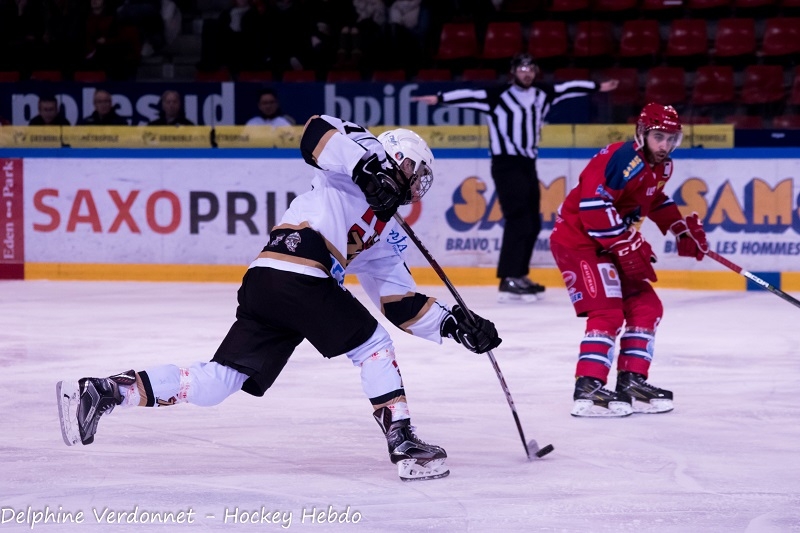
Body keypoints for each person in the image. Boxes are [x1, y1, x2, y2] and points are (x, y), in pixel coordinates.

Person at [56, 115, 502, 481]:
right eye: (415, 172)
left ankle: (108, 391)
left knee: (219, 381)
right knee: (373, 346)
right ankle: (403, 444)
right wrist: (367, 168)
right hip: (298, 271)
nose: (416, 184)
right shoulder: (360, 153)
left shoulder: (385, 235)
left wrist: (455, 324)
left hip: (269, 283)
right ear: (398, 159)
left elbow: (400, 303)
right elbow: (314, 132)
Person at [413, 53, 619, 304]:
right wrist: (439, 99)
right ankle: (509, 278)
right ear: (513, 72)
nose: (527, 73)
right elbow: (470, 96)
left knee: (532, 221)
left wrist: (598, 87)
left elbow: (569, 88)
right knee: (518, 218)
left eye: (530, 68)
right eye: (522, 69)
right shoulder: (498, 96)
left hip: (527, 163)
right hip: (505, 163)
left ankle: (519, 275)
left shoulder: (543, 94)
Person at [549, 103, 709, 418]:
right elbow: (593, 206)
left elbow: (654, 198)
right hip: (578, 242)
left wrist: (680, 230)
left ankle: (632, 382)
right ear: (642, 133)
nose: (665, 145)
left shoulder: (662, 167)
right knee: (607, 311)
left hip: (611, 242)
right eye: (659, 137)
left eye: (671, 138)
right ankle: (589, 388)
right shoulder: (621, 158)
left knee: (647, 307)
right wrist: (626, 242)